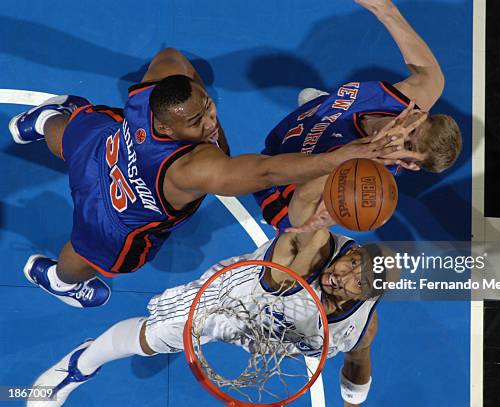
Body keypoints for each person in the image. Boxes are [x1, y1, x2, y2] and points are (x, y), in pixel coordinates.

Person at [26, 117, 421, 406]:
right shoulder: (313, 249)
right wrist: (346, 164)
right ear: (351, 250)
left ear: (368, 296)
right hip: (233, 299)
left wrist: (353, 402)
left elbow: (357, 360)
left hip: (275, 338)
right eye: (351, 261)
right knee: (152, 339)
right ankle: (79, 365)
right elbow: (301, 221)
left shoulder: (358, 328)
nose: (343, 274)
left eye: (357, 280)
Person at [8, 47, 406, 309]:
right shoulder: (192, 168)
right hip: (114, 214)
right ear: (165, 129)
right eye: (197, 122)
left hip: (102, 148)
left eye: (208, 108)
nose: (210, 120)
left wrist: (201, 117)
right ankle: (58, 281)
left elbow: (172, 58)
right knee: (87, 256)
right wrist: (343, 157)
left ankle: (39, 121)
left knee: (75, 129)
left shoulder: (151, 98)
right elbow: (267, 170)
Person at [254, 0, 462, 231]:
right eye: (412, 130)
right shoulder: (417, 92)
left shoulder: (360, 178)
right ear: (420, 114)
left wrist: (342, 167)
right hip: (306, 127)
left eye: (409, 146)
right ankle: (327, 113)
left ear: (409, 165)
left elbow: (301, 205)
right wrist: (382, 8)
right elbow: (386, 9)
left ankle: (328, 123)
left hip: (278, 186)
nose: (398, 137)